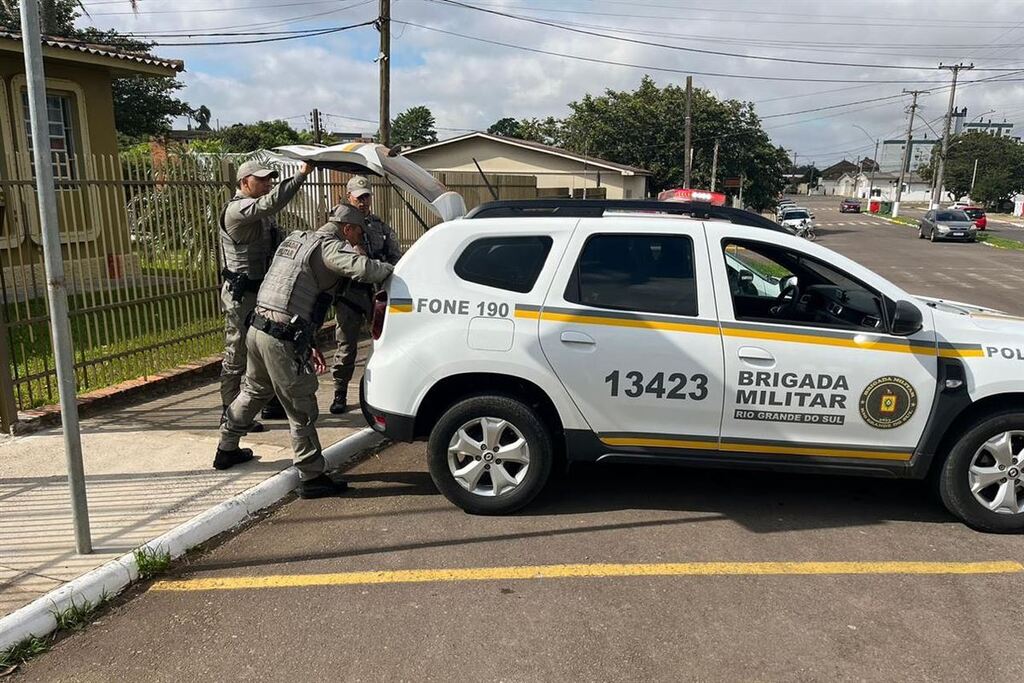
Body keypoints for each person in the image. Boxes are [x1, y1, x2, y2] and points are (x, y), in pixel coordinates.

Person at [215, 204, 394, 498]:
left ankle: (226, 447)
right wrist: (392, 269)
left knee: (254, 390)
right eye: (357, 233)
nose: (357, 240)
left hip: (259, 328)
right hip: (281, 338)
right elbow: (363, 269)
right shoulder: (330, 246)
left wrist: (307, 342)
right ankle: (312, 476)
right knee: (301, 408)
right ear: (347, 228)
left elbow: (292, 288)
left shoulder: (295, 239)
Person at [219, 159, 311, 429]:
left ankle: (268, 404)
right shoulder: (238, 210)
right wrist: (301, 175)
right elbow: (271, 202)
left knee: (265, 347)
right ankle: (230, 413)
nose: (268, 183)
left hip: (261, 292)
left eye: (270, 179)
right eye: (262, 180)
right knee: (236, 352)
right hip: (241, 294)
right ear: (244, 182)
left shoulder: (258, 213)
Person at [329, 175, 402, 415]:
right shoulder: (339, 226)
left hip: (376, 292)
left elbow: (394, 254)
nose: (364, 201)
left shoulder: (378, 225)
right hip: (349, 292)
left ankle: (380, 391)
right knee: (346, 344)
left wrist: (386, 271)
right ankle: (340, 391)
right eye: (359, 197)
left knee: (384, 342)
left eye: (366, 196)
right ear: (348, 196)